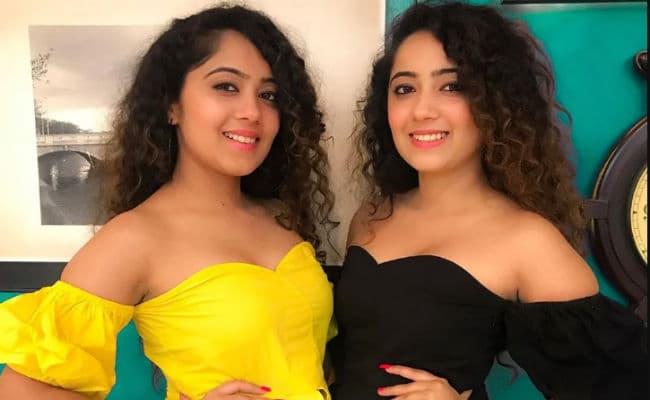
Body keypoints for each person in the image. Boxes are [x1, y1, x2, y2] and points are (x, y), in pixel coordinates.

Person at [0, 4, 338, 400]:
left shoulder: (280, 216)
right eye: (226, 86)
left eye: (268, 95)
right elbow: (19, 390)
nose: (252, 112)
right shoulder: (135, 238)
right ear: (172, 105)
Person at [330, 2, 647, 400]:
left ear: (495, 102)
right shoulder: (372, 214)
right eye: (405, 89)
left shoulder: (527, 240)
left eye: (452, 86)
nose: (422, 110)